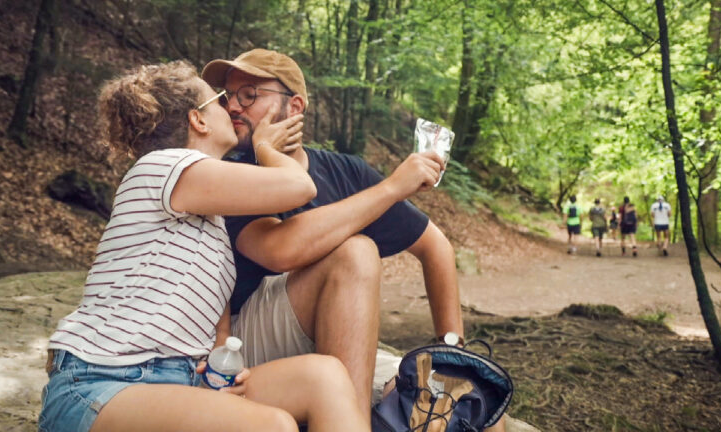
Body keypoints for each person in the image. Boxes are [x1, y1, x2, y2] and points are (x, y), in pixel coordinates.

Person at [38, 61, 371, 432]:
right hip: (101, 383)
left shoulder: (210, 221)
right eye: (221, 101)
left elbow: (217, 328)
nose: (232, 108)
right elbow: (300, 186)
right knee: (272, 426)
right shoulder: (163, 167)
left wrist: (223, 367)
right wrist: (263, 146)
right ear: (198, 120)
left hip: (183, 382)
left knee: (324, 377)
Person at [199, 48, 505, 429]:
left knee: (469, 401)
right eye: (227, 96)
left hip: (333, 345)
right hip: (244, 347)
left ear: (294, 107)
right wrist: (391, 188)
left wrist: (451, 353)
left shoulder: (345, 172)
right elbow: (280, 251)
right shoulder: (230, 172)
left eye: (248, 95)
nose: (232, 107)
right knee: (356, 253)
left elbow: (436, 247)